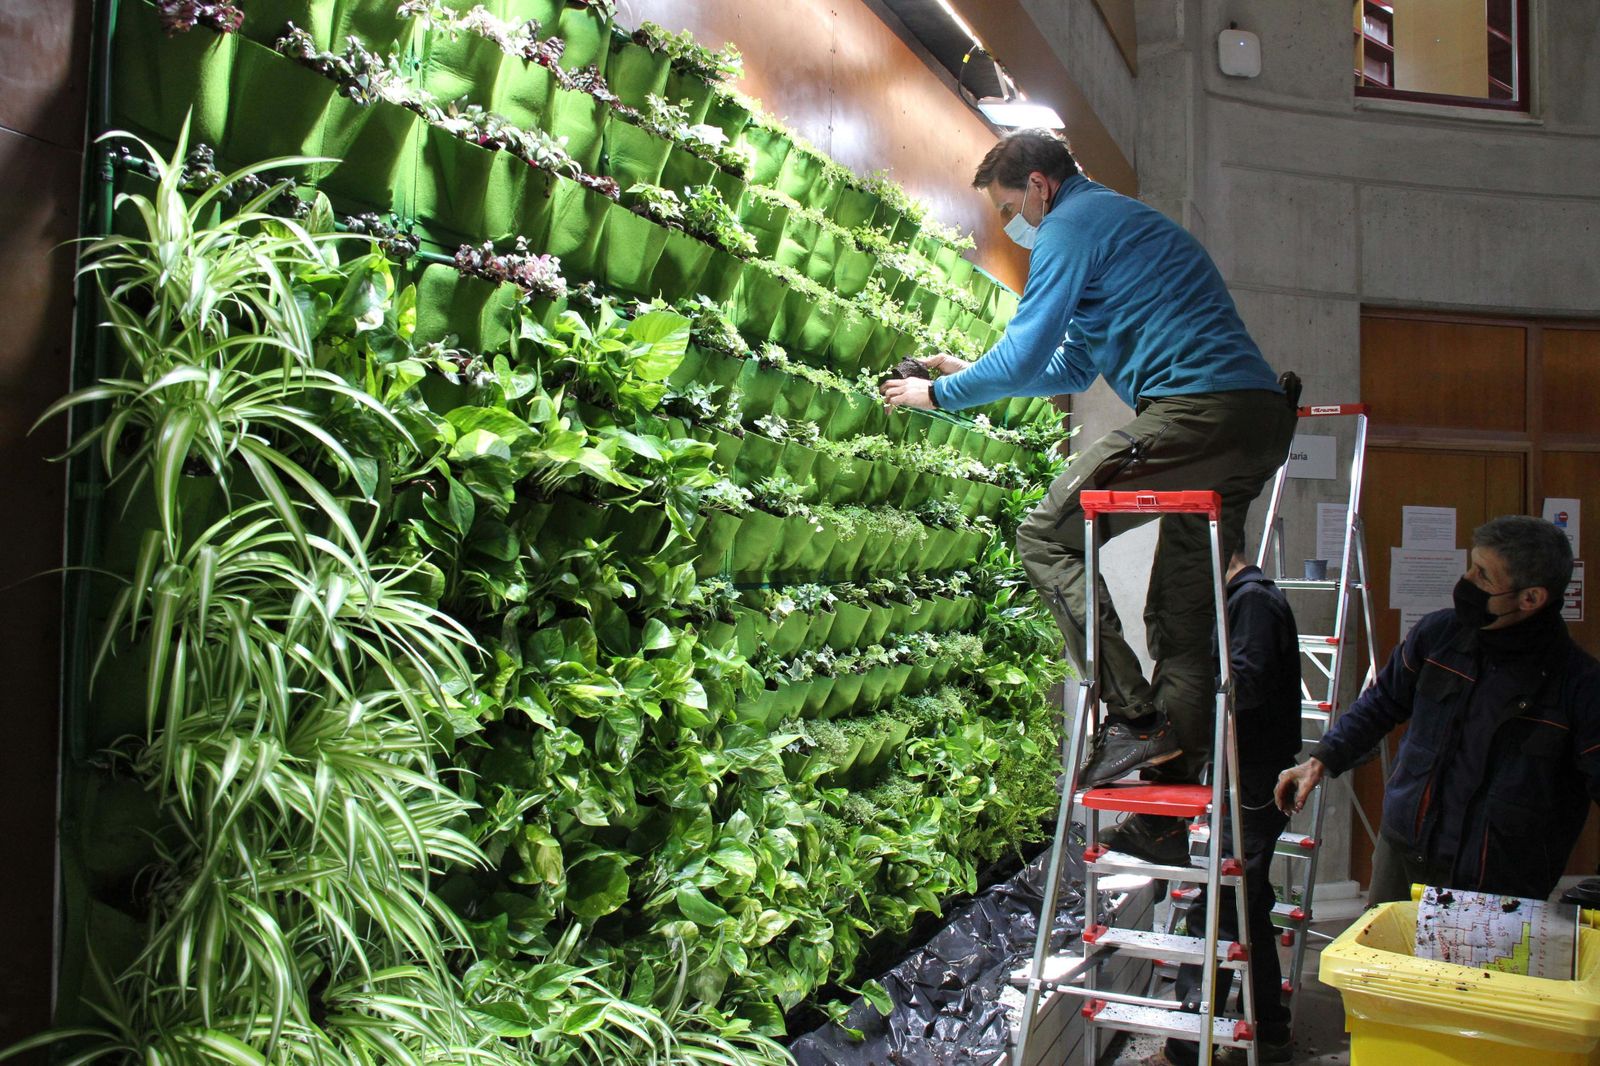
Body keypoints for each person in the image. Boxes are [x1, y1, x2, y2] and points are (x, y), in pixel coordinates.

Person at [880, 129, 1297, 789]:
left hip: (1197, 412)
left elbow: (1022, 355)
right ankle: (1171, 787)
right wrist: (972, 368)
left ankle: (1134, 719)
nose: (1014, 226)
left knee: (1046, 535)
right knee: (1182, 608)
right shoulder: (1117, 223)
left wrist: (938, 392)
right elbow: (1071, 362)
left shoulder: (1068, 228)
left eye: (1011, 210)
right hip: (1255, 421)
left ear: (1040, 186)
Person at [1275, 515, 1600, 905]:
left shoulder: (1580, 685)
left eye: (1483, 575)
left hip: (1500, 880)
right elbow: (1381, 703)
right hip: (1404, 855)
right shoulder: (1437, 636)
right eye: (1471, 565)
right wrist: (1321, 760)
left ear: (1531, 598)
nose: (1466, 581)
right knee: (1385, 964)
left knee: (1473, 970)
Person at [1116, 552, 1301, 1066]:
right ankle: (1271, 1031)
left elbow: (1245, 684)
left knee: (1216, 908)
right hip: (1244, 773)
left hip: (1251, 778)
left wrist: (1186, 704)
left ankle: (1186, 1046)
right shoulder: (1247, 602)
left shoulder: (1254, 603)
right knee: (1246, 908)